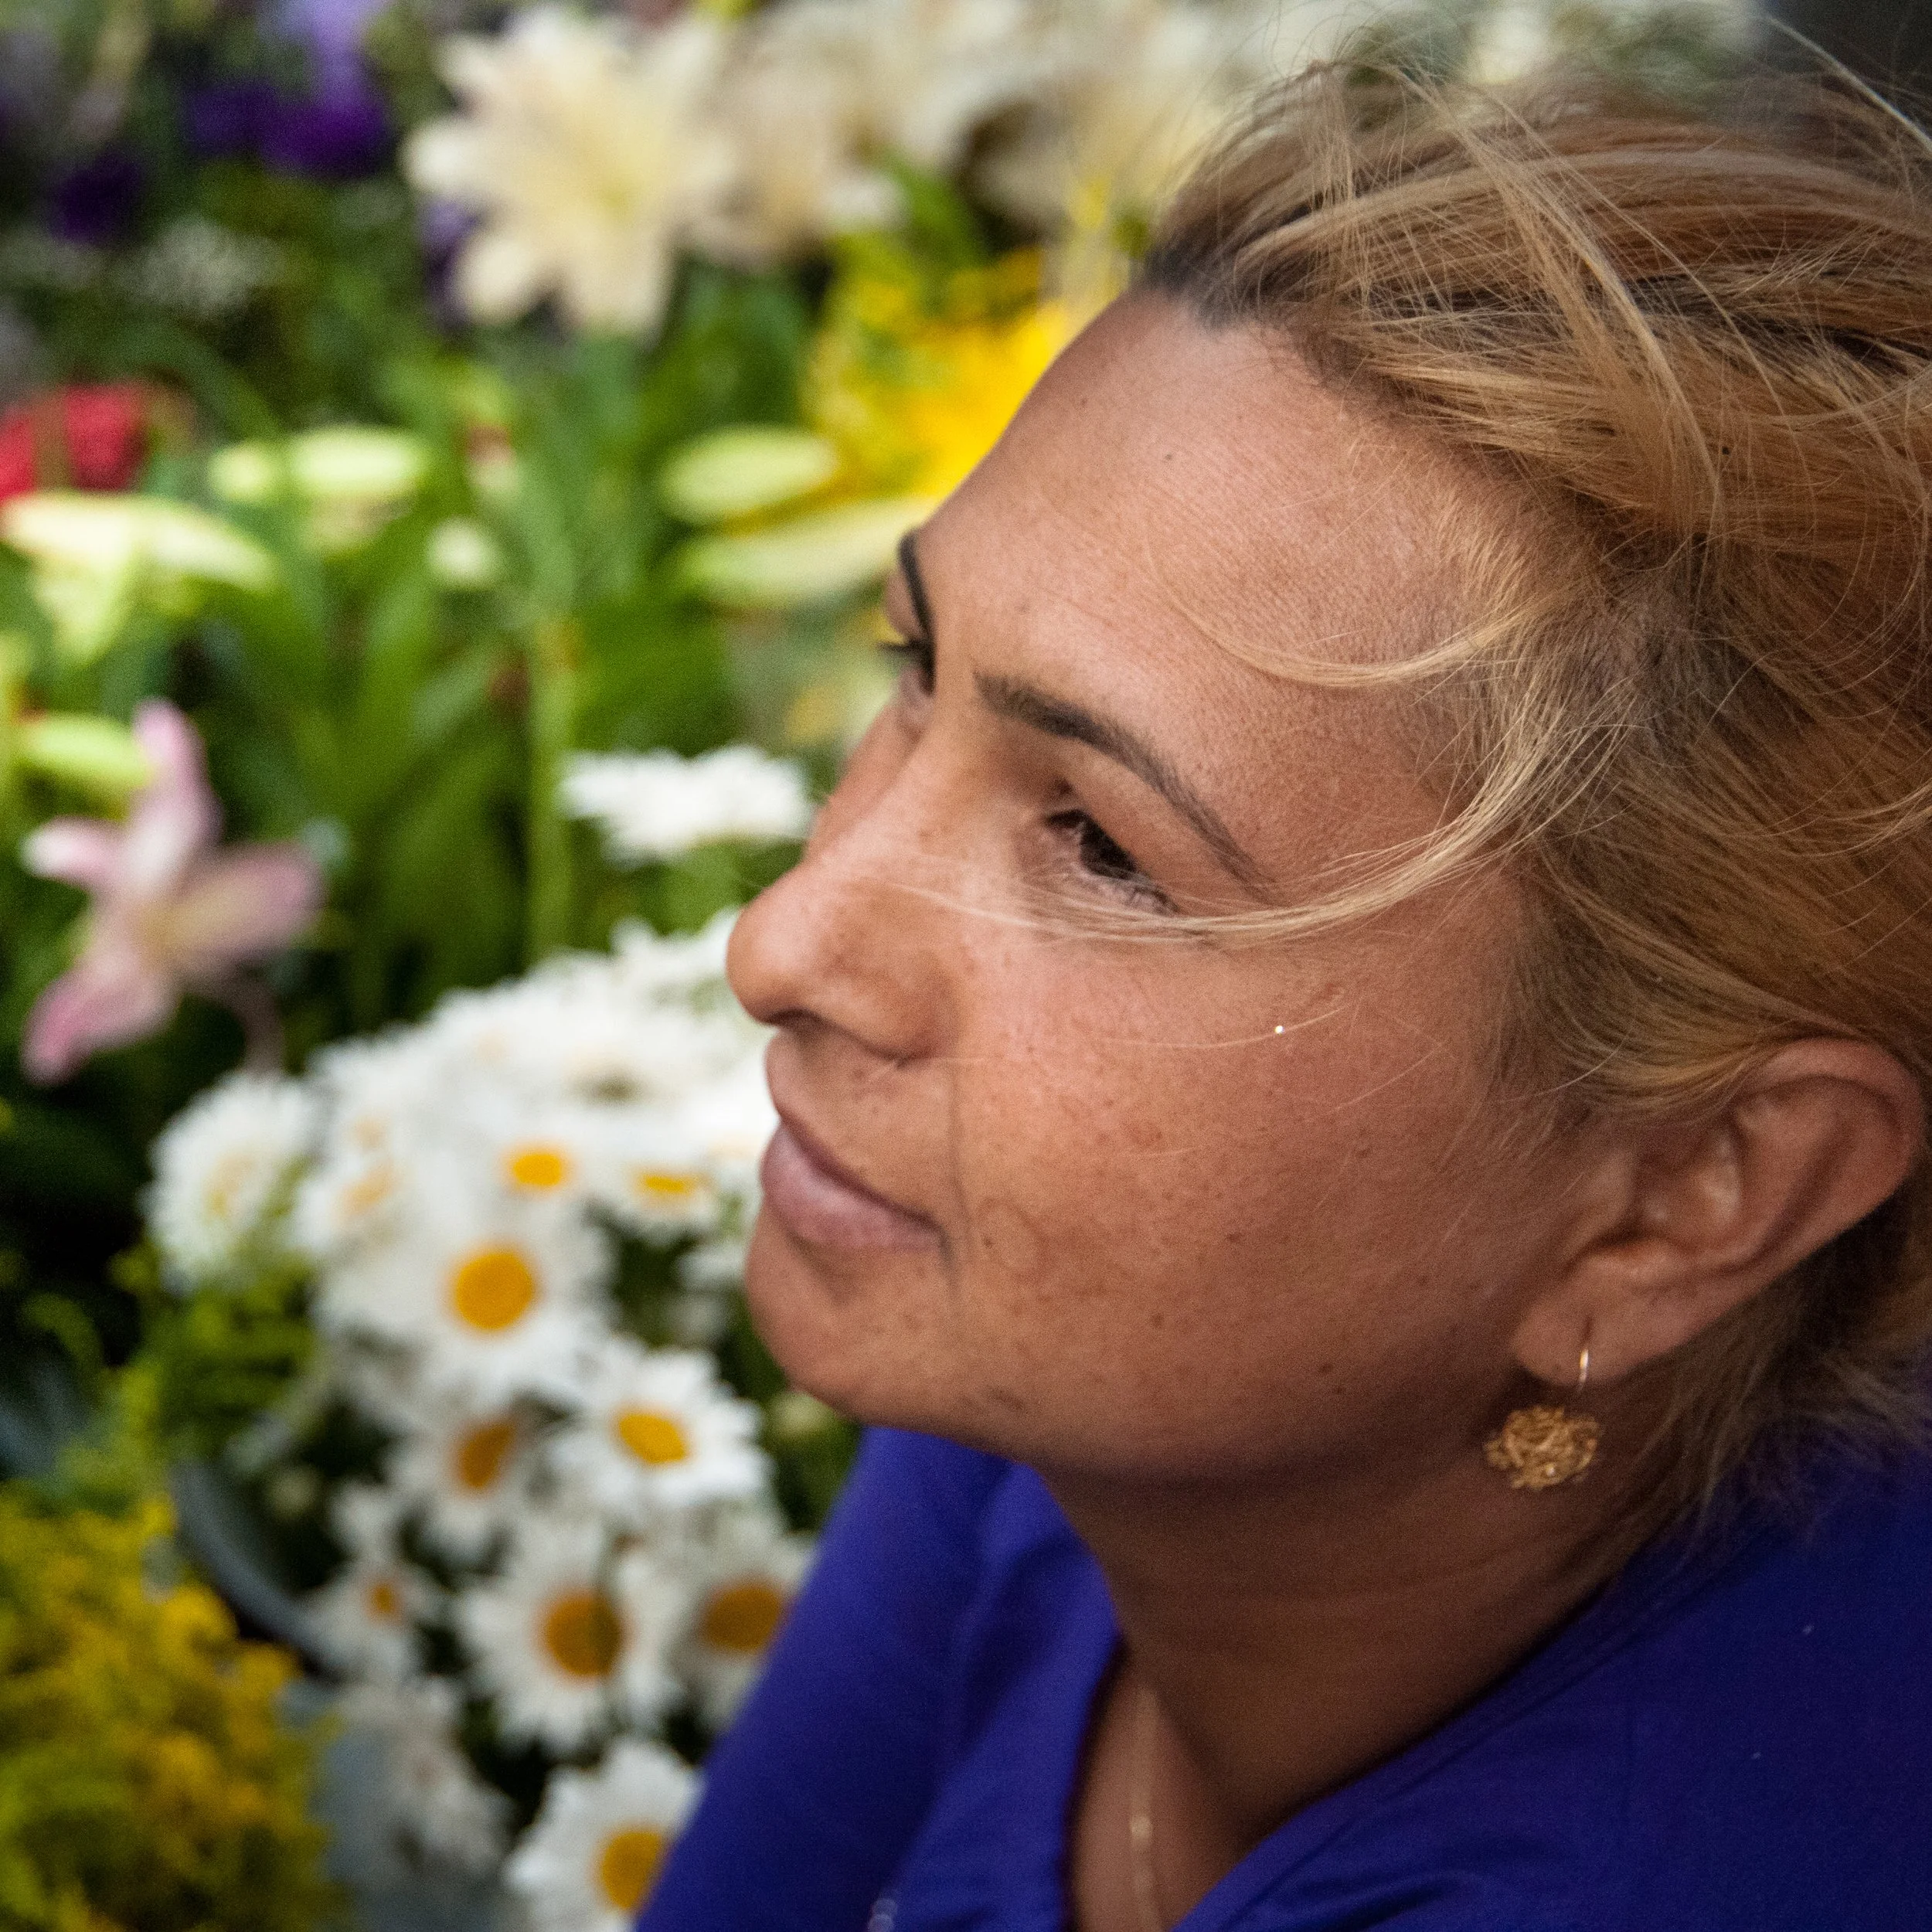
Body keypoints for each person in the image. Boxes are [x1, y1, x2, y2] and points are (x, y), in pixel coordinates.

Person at [639, 58, 1932, 1932]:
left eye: (1097, 844)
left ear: (1685, 1188)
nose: (783, 942)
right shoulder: (1112, 1390)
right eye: (914, 665)